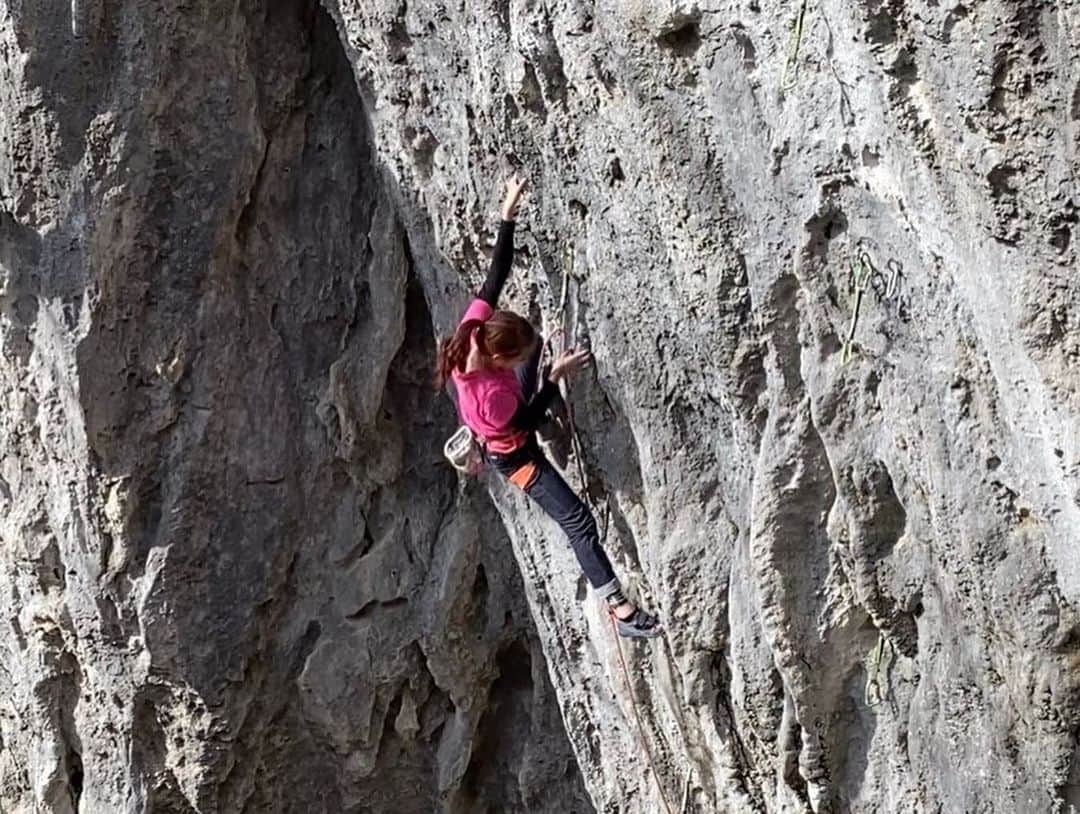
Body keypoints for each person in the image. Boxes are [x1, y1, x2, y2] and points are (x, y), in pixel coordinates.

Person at [435, 174, 662, 638]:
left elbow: (493, 278)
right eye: (515, 355)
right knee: (577, 519)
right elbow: (529, 421)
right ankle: (619, 610)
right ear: (499, 359)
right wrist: (555, 379)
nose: (521, 354)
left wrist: (507, 214)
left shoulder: (473, 332)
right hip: (514, 455)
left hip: (508, 414)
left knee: (537, 346)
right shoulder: (493, 397)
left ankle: (540, 355)